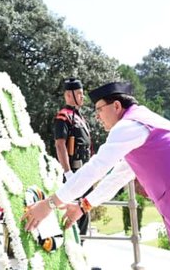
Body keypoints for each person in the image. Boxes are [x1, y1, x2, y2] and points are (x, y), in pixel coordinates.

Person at [24, 81, 170, 270]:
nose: (97, 116)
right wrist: (84, 205)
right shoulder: (142, 125)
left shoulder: (130, 126)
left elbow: (97, 166)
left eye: (99, 109)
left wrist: (50, 203)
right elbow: (119, 175)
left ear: (116, 106)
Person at [53, 77, 92, 235]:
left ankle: (80, 245)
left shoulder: (80, 117)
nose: (83, 97)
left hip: (85, 171)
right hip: (73, 171)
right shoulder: (64, 116)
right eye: (79, 94)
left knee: (84, 210)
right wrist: (67, 172)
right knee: (72, 211)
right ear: (69, 95)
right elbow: (60, 145)